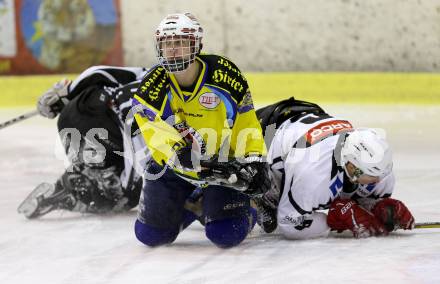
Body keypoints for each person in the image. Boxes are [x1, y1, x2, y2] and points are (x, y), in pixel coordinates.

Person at [132, 12, 269, 248]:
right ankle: (194, 205)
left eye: (180, 43)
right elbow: (153, 132)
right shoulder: (151, 87)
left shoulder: (225, 76)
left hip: (221, 168)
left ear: (197, 45)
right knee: (150, 236)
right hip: (174, 168)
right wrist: (177, 151)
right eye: (167, 44)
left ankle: (250, 207)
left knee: (226, 235)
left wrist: (255, 158)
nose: (173, 50)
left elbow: (246, 123)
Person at [253, 109, 415, 239]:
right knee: (246, 226)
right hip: (264, 135)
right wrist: (331, 221)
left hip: (302, 120)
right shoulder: (312, 174)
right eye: (367, 176)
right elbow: (290, 223)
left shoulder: (377, 170)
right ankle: (259, 199)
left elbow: (365, 190)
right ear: (350, 164)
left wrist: (376, 207)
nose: (374, 182)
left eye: (378, 176)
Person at [18, 66, 149, 218]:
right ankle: (81, 183)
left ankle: (78, 183)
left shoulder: (165, 78)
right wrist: (68, 92)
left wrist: (67, 93)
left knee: (118, 191)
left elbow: (101, 73)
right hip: (89, 116)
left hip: (81, 121)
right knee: (121, 194)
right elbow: (136, 141)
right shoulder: (163, 84)